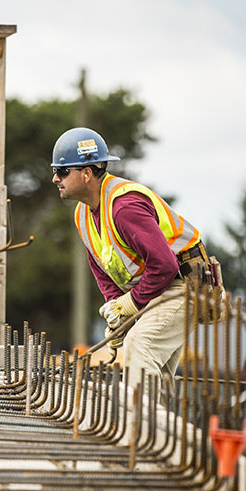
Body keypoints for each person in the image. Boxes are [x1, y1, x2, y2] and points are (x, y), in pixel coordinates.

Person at [51, 127, 213, 396]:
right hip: (157, 291)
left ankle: (140, 430)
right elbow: (103, 269)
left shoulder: (124, 207)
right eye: (55, 170)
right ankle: (156, 432)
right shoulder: (82, 215)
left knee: (140, 346)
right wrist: (117, 312)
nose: (55, 178)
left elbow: (165, 266)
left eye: (63, 171)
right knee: (152, 373)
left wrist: (132, 304)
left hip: (183, 286)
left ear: (87, 173)